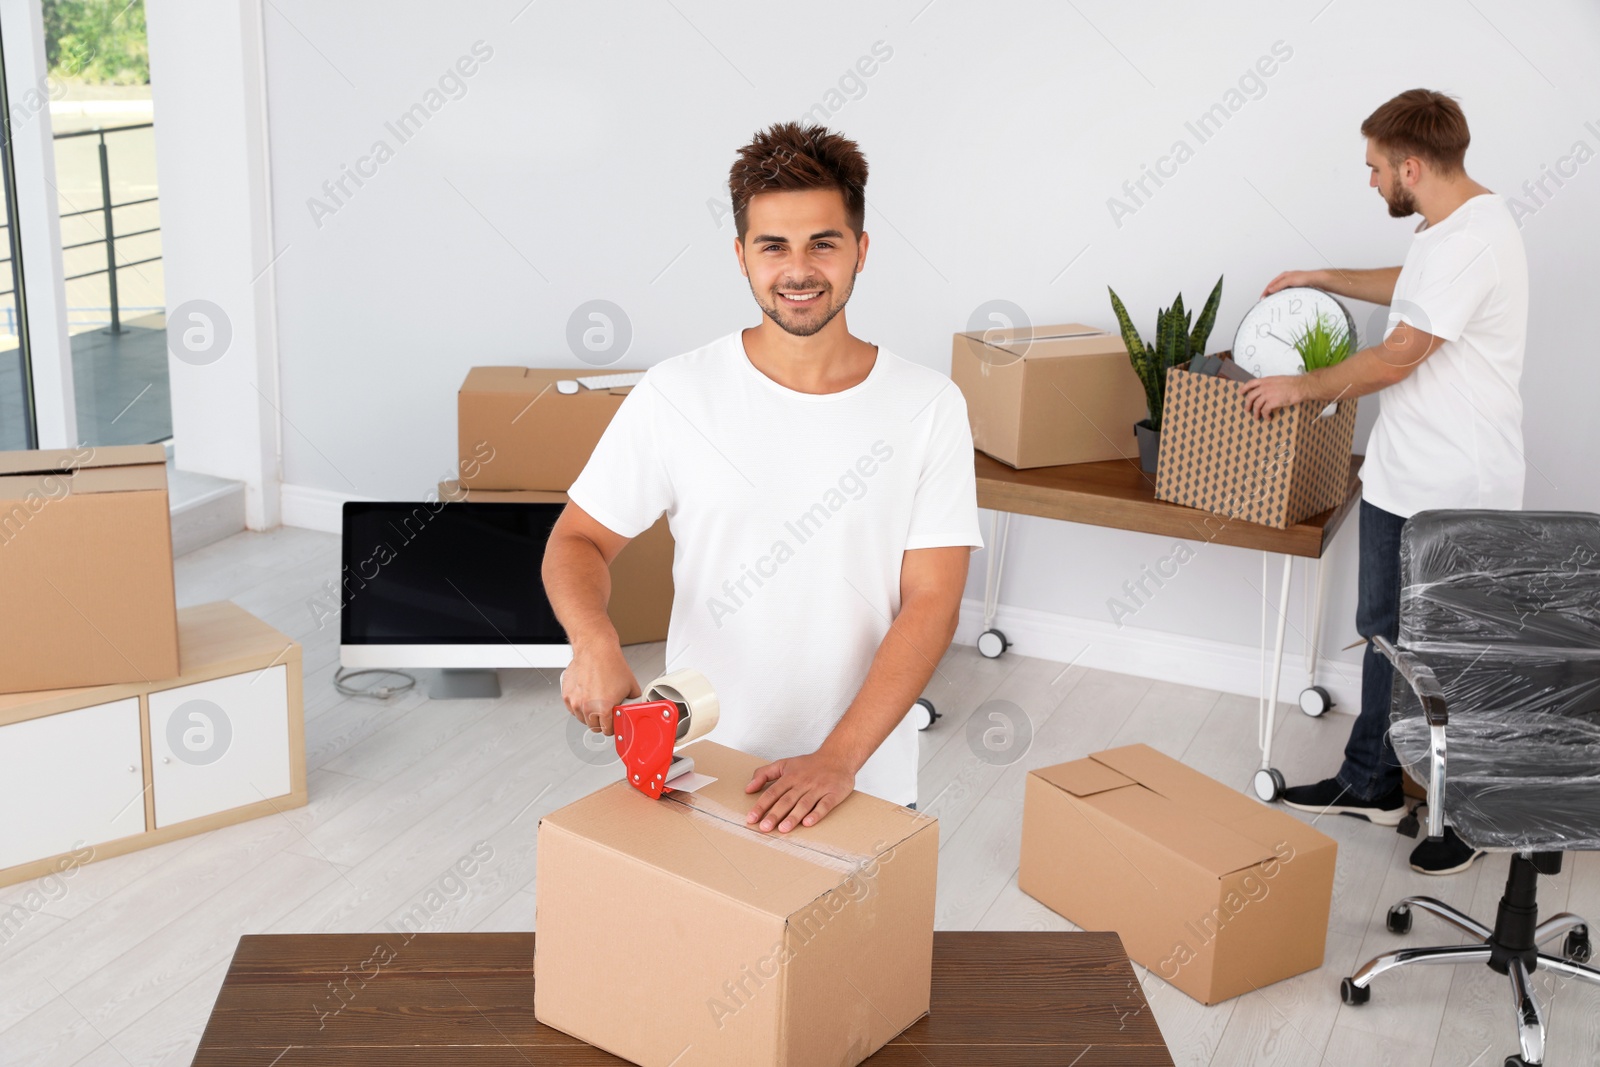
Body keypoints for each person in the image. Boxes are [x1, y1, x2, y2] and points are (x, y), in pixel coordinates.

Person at [543, 123, 983, 833]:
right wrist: (593, 640)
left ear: (860, 251)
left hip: (861, 777)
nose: (798, 269)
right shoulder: (676, 393)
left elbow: (931, 602)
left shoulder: (929, 406)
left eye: (823, 243)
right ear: (742, 255)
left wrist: (838, 758)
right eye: (773, 245)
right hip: (699, 767)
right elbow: (577, 541)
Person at [1242, 89, 1528, 876]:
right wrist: (1326, 276)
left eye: (1374, 169)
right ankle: (1372, 779)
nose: (1370, 182)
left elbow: (1403, 349)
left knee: (1448, 650)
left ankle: (1462, 815)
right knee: (1385, 632)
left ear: (1411, 165)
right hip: (1405, 475)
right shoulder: (1452, 229)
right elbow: (1413, 284)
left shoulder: (1472, 239)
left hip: (1456, 488)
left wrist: (1306, 387)